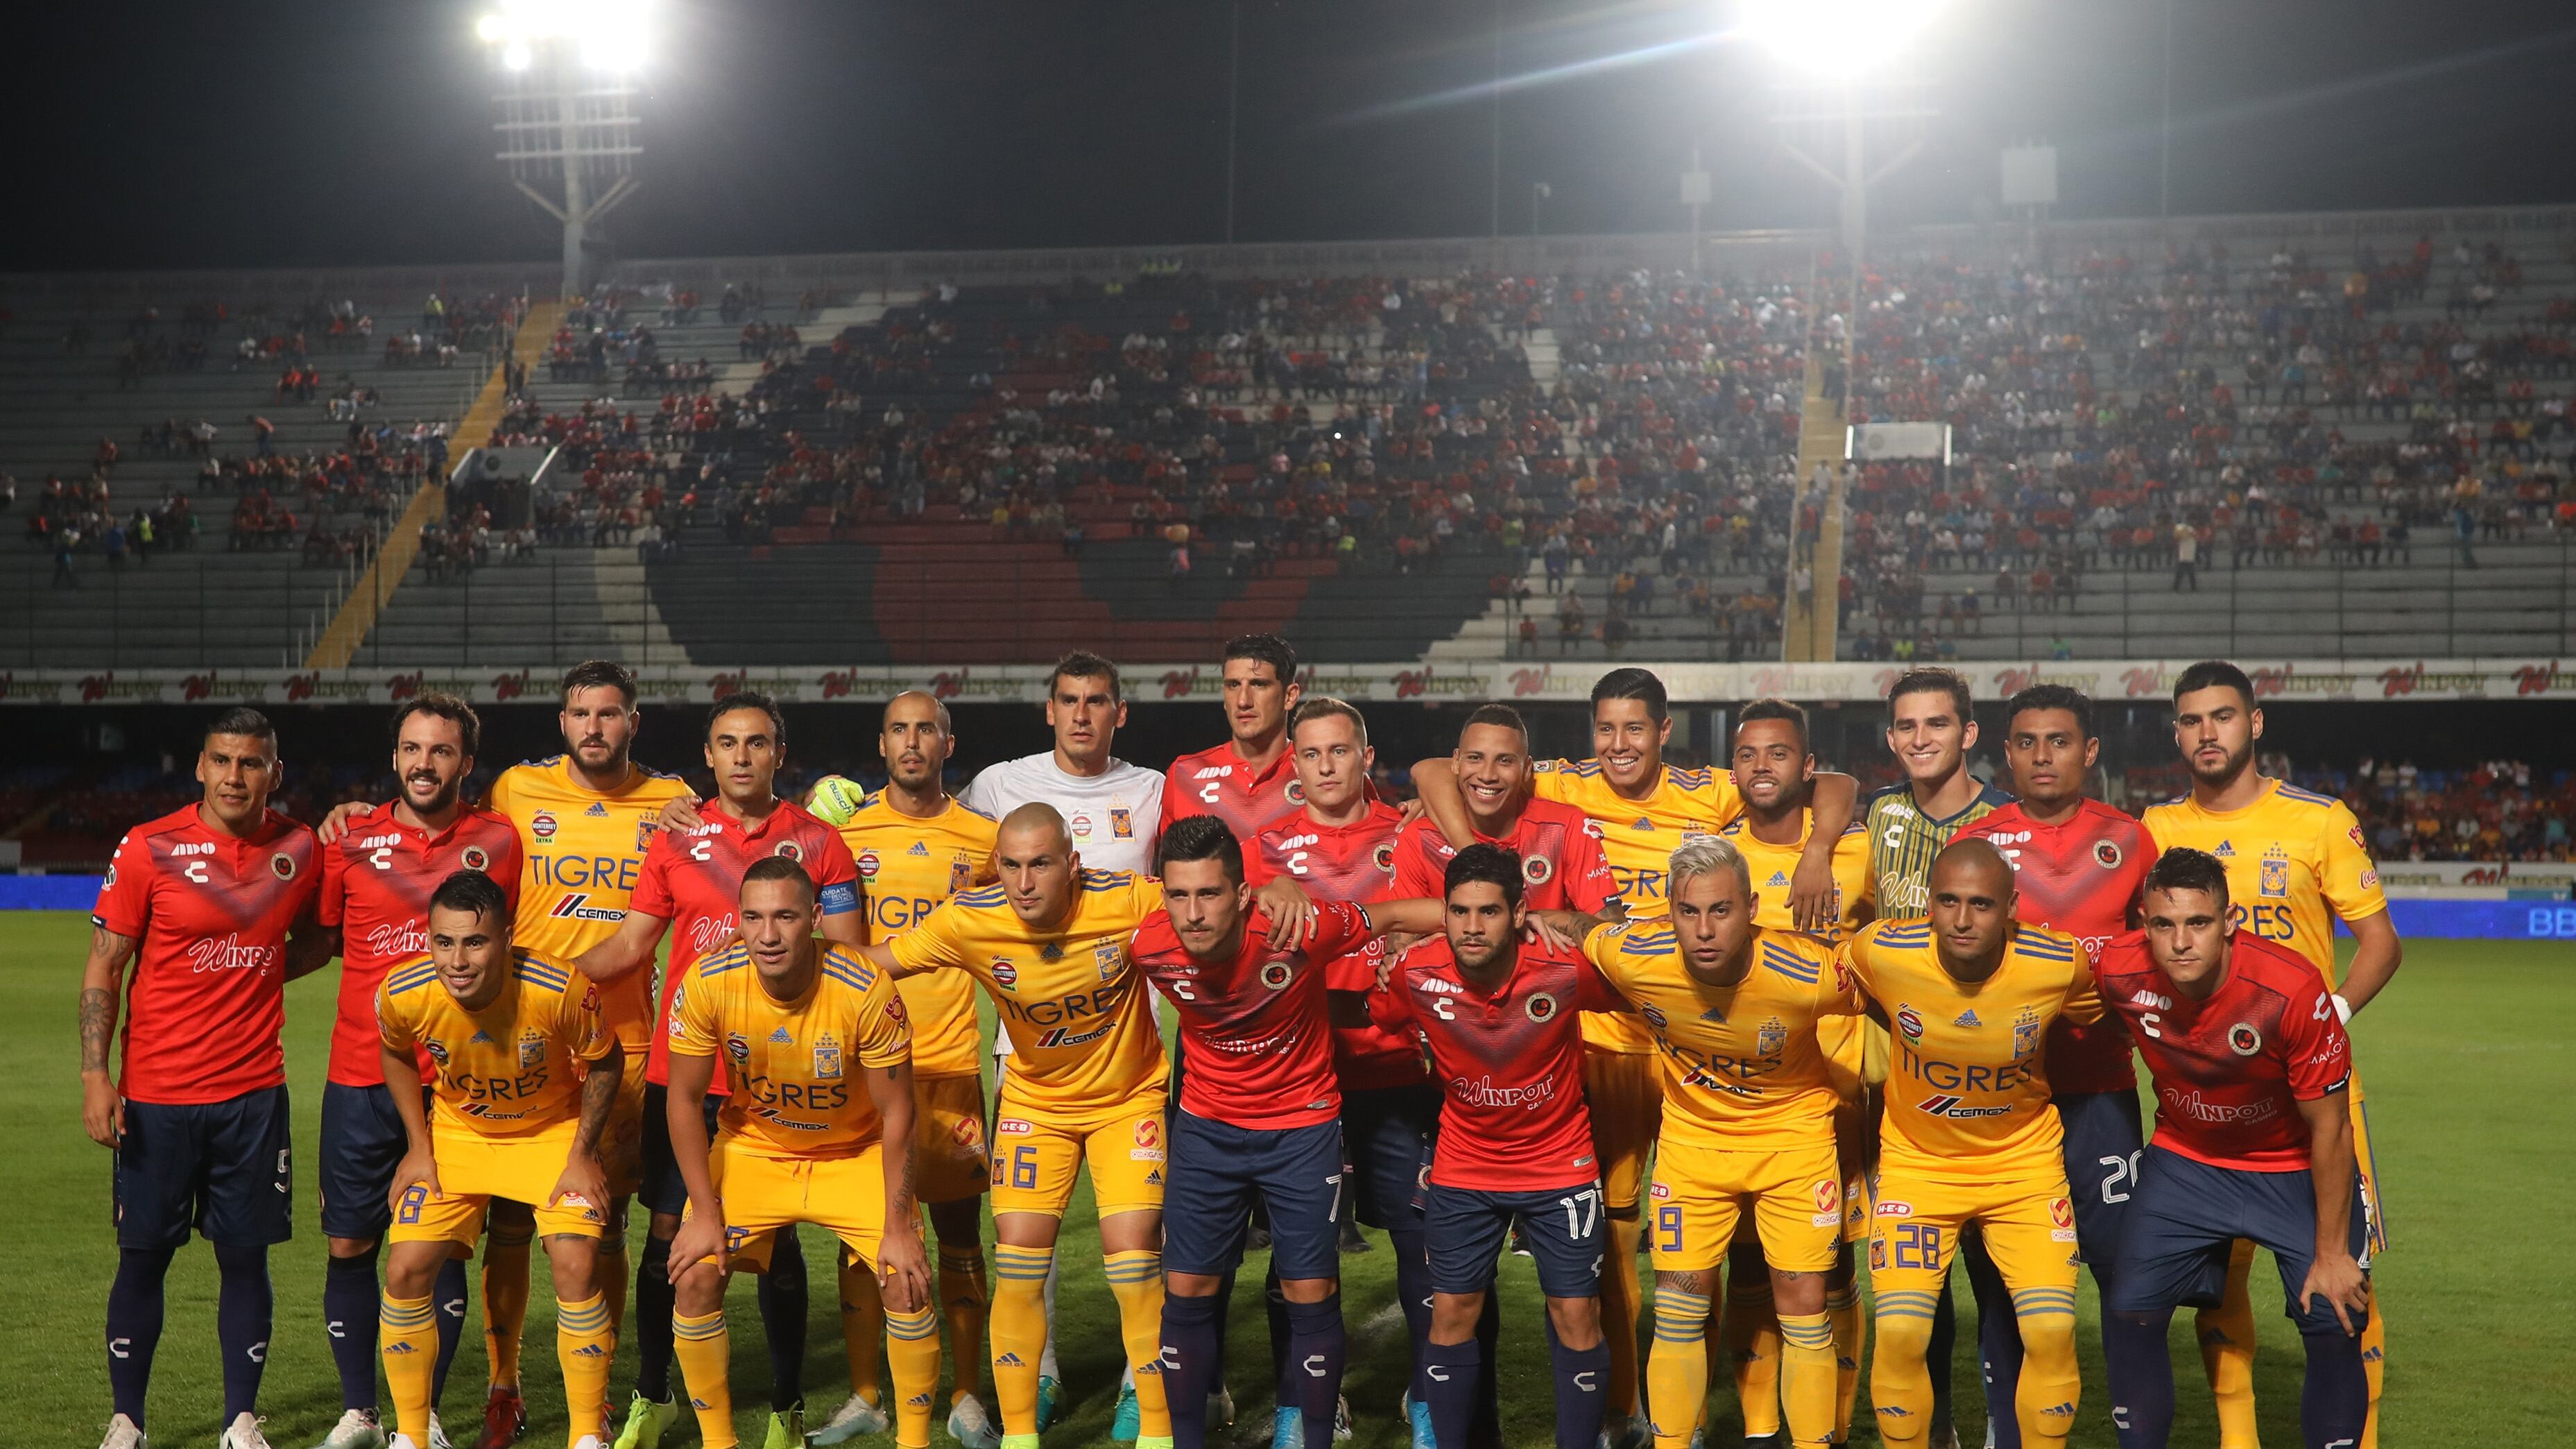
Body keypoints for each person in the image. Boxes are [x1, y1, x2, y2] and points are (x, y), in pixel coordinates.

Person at [320, 660, 692, 1449]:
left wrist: (556, 988)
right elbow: (435, 815)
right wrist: (360, 811)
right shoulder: (519, 792)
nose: (594, 726)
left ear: (633, 721)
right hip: (508, 1025)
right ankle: (503, 1382)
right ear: (562, 722)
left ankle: (605, 1394)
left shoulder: (672, 803)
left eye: (611, 713)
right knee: (511, 1230)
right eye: (580, 713)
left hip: (608, 1038)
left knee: (600, 1228)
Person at [857, 805, 1236, 1449]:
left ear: (1073, 865)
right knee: (1021, 1266)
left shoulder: (1130, 900)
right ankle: (1022, 1437)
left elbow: (1212, 900)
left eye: (1040, 864)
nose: (1025, 881)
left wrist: (1281, 888)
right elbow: (877, 960)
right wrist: (790, 949)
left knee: (1134, 1260)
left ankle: (1157, 1431)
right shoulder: (971, 919)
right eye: (1011, 865)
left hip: (1128, 1100)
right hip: (1037, 1107)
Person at [581, 694, 859, 1449]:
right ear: (708, 755)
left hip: (780, 1078)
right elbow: (634, 941)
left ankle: (786, 1405)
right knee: (665, 1231)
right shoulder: (676, 838)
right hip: (686, 1073)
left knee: (776, 1242)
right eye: (728, 742)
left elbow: (850, 956)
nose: (742, 755)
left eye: (757, 742)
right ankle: (652, 1393)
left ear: (779, 754)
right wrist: (552, 982)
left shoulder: (820, 842)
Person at [2140, 660, 2400, 1449]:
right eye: (2190, 720)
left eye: (2222, 716)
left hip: (2310, 1102)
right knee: (2218, 1294)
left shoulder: (2317, 819)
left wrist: (2330, 1016)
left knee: (2344, 1285)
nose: (2206, 732)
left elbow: (2381, 944)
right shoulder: (2154, 829)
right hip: (2206, 1105)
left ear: (2255, 723)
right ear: (2176, 731)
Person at [1136, 816, 1447, 1449]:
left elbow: (1388, 915)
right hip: (1207, 1127)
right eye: (1179, 895)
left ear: (1244, 893)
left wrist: (1483, 918)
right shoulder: (1148, 943)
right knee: (1187, 1286)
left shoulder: (1301, 927)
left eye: (1210, 893)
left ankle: (1313, 1436)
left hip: (1300, 1128)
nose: (1193, 914)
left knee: (1311, 1289)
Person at [83, 708, 327, 1449]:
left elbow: (320, 936)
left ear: (273, 773)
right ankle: (128, 1420)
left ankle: (240, 1420)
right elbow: (106, 962)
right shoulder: (150, 846)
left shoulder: (299, 846)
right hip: (156, 1096)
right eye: (222, 760)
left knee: (244, 1257)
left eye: (251, 762)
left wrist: (260, 974)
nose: (234, 775)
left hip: (254, 1092)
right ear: (199, 766)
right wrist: (97, 1076)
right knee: (144, 1257)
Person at [1580, 837, 1857, 1449]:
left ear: (1752, 907)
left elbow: (1894, 991)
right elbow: (1581, 929)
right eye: (1688, 911)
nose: (1703, 929)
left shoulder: (1809, 972)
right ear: (1669, 910)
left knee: (1802, 1300)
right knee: (1680, 1304)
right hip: (1693, 1145)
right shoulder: (1636, 953)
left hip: (1794, 1141)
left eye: (1721, 910)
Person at [2091, 849, 2371, 1449]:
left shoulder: (2291, 988)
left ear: (2230, 920)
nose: (2180, 942)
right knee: (2129, 1313)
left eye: (2198, 922)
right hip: (2185, 1160)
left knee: (2334, 1317)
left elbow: (2332, 1128)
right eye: (2163, 925)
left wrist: (2330, 1252)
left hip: (2289, 1165)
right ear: (2144, 923)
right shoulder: (2117, 969)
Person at [955, 653, 1167, 1432]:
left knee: (1138, 1231)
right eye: (1069, 701)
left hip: (1124, 1046)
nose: (1083, 714)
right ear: (1049, 710)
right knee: (1025, 1229)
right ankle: (1036, 1376)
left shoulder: (1151, 791)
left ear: (1121, 712)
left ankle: (1135, 1383)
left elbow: (1191, 876)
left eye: (1098, 701)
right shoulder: (997, 785)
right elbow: (946, 853)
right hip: (1031, 1048)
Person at [309, 694, 525, 1449]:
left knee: (438, 1247)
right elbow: (324, 937)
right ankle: (358, 1410)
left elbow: (509, 949)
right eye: (410, 749)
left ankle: (419, 1415)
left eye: (439, 751)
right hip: (357, 1072)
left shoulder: (499, 841)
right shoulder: (350, 837)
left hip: (456, 1084)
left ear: (466, 762)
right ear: (394, 756)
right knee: (349, 1244)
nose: (422, 763)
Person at [1839, 841, 2105, 1449]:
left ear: (2011, 906)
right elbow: (1840, 985)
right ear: (1928, 903)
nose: (1962, 919)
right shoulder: (1883, 949)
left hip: (2023, 1166)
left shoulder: (2057, 963)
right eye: (1949, 901)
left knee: (2052, 1328)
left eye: (1981, 904)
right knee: (1903, 1332)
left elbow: (2104, 1019)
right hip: (1917, 1164)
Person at [662, 859, 935, 1449]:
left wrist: (898, 1224)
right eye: (755, 917)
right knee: (693, 1276)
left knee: (905, 1278)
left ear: (814, 918)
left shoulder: (865, 987)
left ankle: (915, 1441)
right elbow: (683, 1101)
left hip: (854, 1151)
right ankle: (719, 1443)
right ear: (738, 919)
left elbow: (899, 1113)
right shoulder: (709, 980)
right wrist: (705, 1214)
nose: (768, 934)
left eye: (785, 916)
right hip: (757, 1148)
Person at [1365, 844, 1620, 1449]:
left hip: (1559, 1162)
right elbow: (1384, 1012)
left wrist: (1563, 925)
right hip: (1465, 1164)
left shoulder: (1564, 967)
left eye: (1489, 912)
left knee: (1577, 1316)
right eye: (1459, 911)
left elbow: (1631, 966)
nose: (1472, 927)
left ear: (1520, 912)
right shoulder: (1416, 972)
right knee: (1451, 1314)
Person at [1956, 685, 2154, 1448]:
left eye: (2061, 741)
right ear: (2006, 754)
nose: (2044, 756)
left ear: (2090, 751)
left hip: (2101, 1091)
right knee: (2005, 1285)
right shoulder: (1979, 842)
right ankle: (2005, 1433)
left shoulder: (2132, 841)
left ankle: (2135, 1428)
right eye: (2028, 742)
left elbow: (2155, 954)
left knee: (2122, 1274)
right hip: (2005, 1101)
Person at [807, 692, 1004, 1449]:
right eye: (899, 729)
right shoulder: (845, 833)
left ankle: (965, 1397)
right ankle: (865, 1397)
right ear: (881, 743)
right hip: (860, 1063)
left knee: (957, 1237)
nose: (913, 741)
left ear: (948, 742)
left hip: (948, 1060)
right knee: (863, 1239)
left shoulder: (982, 838)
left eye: (926, 728)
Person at [1244, 698, 1441, 1449]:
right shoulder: (1263, 848)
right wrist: (1265, 890)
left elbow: (1446, 918)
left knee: (1421, 1244)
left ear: (1366, 756)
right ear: (1294, 765)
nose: (1326, 766)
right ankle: (1304, 1403)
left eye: (1340, 751)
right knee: (1297, 1252)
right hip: (1302, 1079)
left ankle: (1427, 1394)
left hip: (1398, 1074)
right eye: (1312, 754)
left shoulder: (1409, 832)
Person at [373, 871, 623, 1449]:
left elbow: (605, 1061)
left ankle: (588, 1434)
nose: (457, 960)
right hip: (460, 1136)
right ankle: (410, 1436)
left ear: (507, 938)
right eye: (444, 941)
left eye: (475, 942)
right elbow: (394, 1049)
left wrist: (583, 1153)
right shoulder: (403, 990)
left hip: (550, 1134)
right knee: (404, 1268)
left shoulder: (560, 987)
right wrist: (418, 1143)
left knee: (577, 1264)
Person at [1860, 667, 2016, 1447]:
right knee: (1918, 1286)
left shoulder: (2008, 824)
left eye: (1938, 725)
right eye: (1907, 728)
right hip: (1898, 1093)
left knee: (1996, 1278)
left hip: (1994, 1090)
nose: (1922, 739)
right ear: (1891, 738)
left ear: (1969, 733)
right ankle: (1942, 1428)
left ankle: (2003, 1427)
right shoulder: (1881, 814)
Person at [1716, 698, 1877, 1446]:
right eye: (1747, 754)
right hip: (1739, 1099)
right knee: (1747, 1266)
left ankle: (1830, 1429)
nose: (1761, 767)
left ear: (1806, 767)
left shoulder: (1855, 850)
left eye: (1778, 753)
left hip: (1837, 1091)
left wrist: (1819, 846)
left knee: (1831, 1267)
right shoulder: (1715, 854)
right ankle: (1757, 1428)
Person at [1160, 633, 1305, 839]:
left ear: (1290, 696)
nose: (1243, 701)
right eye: (1234, 685)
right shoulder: (1185, 775)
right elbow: (1170, 867)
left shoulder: (1323, 773)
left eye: (1258, 684)